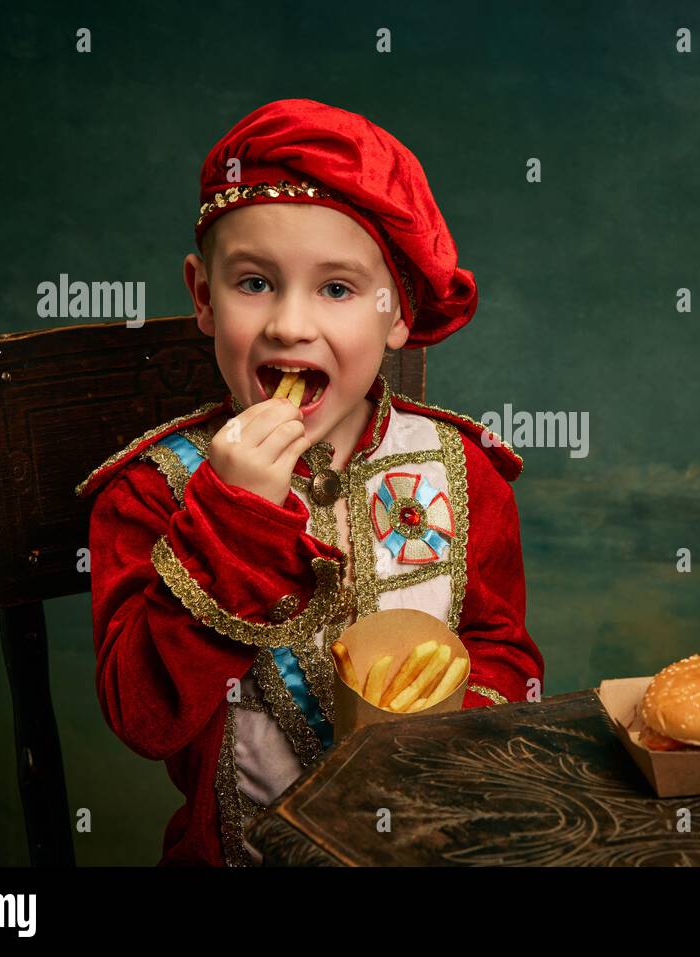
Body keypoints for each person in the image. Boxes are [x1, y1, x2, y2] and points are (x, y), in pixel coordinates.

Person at [75, 99, 544, 866]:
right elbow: (143, 717)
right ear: (202, 295)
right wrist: (229, 519)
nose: (291, 325)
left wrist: (455, 722)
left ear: (399, 312)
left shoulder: (466, 471)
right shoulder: (149, 492)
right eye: (255, 282)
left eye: (337, 289)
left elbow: (504, 655)